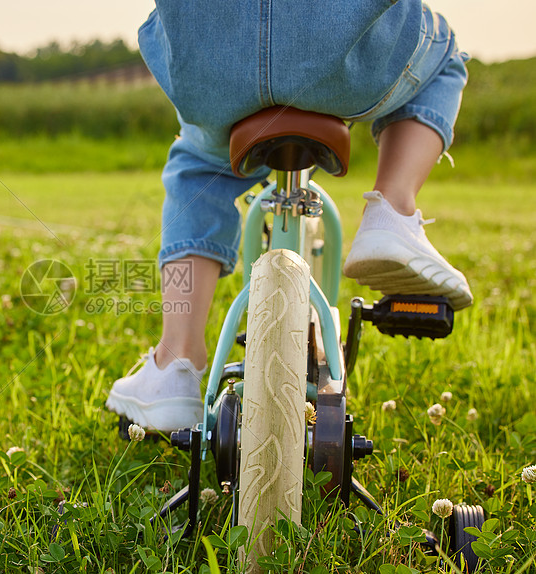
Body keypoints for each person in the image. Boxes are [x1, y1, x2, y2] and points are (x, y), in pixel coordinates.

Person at [106, 0, 473, 432]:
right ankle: (391, 210)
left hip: (215, 66)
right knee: (445, 58)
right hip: (342, 58)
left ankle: (177, 362)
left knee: (199, 166)